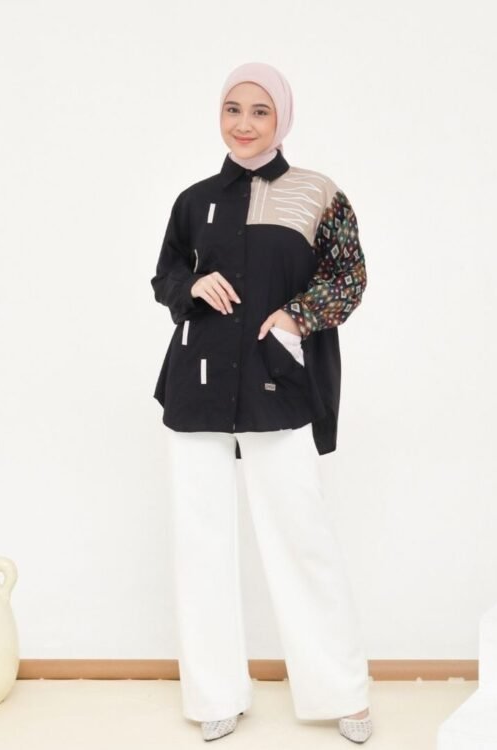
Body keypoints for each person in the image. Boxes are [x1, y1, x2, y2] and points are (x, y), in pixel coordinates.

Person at [150, 61, 372, 743]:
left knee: (302, 538)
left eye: (259, 111)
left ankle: (341, 692)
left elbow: (349, 276)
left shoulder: (317, 193)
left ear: (282, 118)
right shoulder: (194, 201)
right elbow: (166, 275)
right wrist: (192, 286)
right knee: (201, 542)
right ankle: (214, 693)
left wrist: (296, 318)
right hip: (197, 386)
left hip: (278, 383)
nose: (243, 124)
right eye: (232, 109)